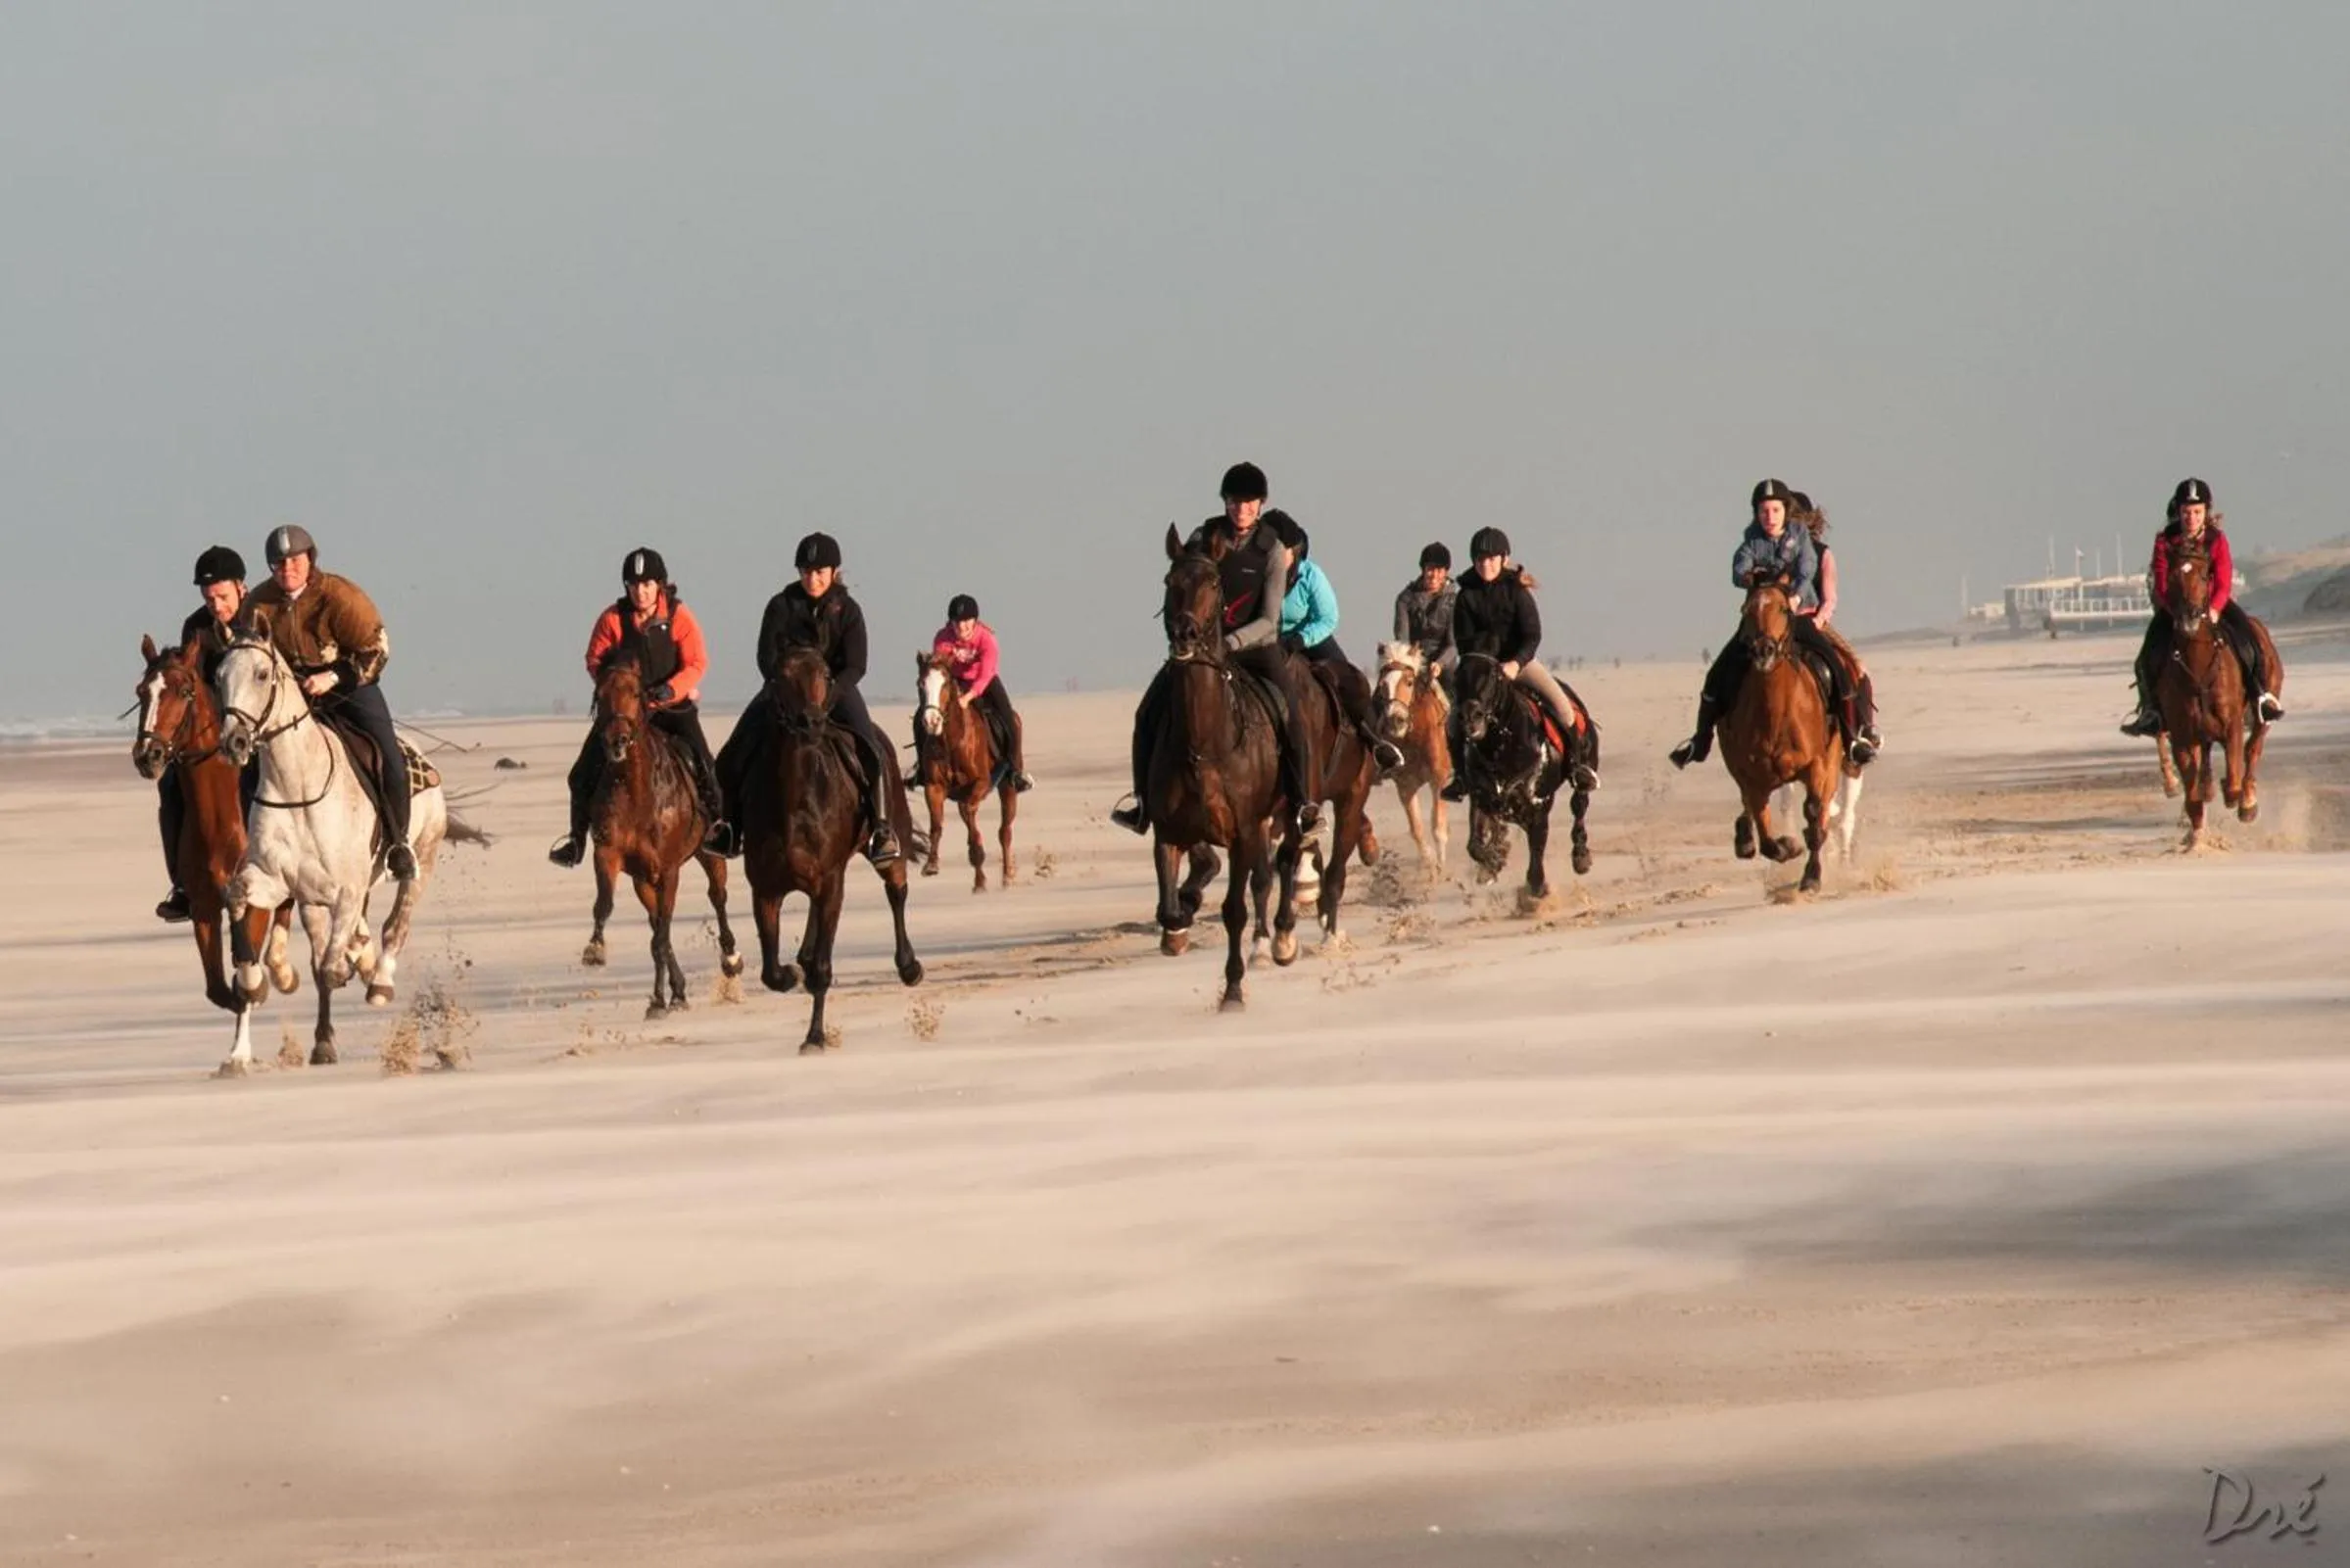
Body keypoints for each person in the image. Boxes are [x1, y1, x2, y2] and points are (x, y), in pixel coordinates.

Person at [1111, 460, 1319, 836]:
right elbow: (1186, 579)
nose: (1241, 509)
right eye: (1235, 501)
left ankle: (1302, 805)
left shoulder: (1271, 548)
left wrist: (1231, 642)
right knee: (1147, 713)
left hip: (1255, 647)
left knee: (1292, 717)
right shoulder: (1202, 535)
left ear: (1261, 503)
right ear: (1225, 502)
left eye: (1249, 502)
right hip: (1201, 650)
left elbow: (1270, 620)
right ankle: (1143, 804)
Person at [240, 525, 415, 879]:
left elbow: (377, 649)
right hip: (290, 696)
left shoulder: (338, 594)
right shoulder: (257, 604)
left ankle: (399, 842)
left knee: (388, 755)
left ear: (310, 559)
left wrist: (332, 677)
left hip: (349, 686)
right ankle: (254, 845)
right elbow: (248, 657)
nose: (287, 569)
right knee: (249, 768)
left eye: (294, 560)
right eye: (278, 563)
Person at [713, 532, 900, 864]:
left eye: (819, 571)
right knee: (734, 749)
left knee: (873, 750)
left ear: (834, 572)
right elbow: (765, 657)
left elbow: (857, 664)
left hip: (835, 691)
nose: (812, 579)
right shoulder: (781, 605)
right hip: (785, 693)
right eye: (806, 571)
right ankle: (729, 826)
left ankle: (881, 828)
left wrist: (830, 693)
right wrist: (782, 687)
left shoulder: (849, 610)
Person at [1667, 480, 1877, 770]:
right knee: (1718, 672)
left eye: (1775, 510)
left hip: (1800, 615)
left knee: (1837, 667)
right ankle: (1700, 741)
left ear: (1785, 512)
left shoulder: (1801, 537)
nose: (1770, 517)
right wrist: (1749, 576)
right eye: (1764, 511)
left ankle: (1853, 738)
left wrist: (1796, 598)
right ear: (1756, 513)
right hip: (1760, 621)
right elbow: (1738, 568)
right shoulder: (1751, 539)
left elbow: (1807, 571)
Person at [549, 547, 728, 868]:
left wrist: (671, 689)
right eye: (633, 585)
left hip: (672, 708)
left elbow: (697, 662)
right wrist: (615, 690)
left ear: (660, 584)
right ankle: (576, 841)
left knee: (704, 763)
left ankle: (719, 829)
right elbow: (593, 660)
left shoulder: (678, 616)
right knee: (580, 773)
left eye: (646, 585)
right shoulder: (612, 619)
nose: (640, 592)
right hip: (625, 715)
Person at [1439, 528, 1602, 801]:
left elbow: (1532, 634)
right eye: (1479, 559)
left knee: (1563, 707)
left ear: (1504, 559)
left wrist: (1515, 663)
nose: (1485, 564)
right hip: (1483, 669)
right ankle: (1461, 778)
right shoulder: (1465, 595)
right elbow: (1464, 640)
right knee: (1455, 719)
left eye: (1491, 559)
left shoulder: (1516, 591)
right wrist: (1486, 663)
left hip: (1519, 664)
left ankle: (1576, 767)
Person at [2119, 477, 2283, 736]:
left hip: (2214, 604)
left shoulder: (2217, 539)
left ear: (2206, 512)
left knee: (2250, 642)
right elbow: (2161, 583)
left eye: (2197, 512)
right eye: (2186, 512)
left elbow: (2224, 577)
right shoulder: (2165, 541)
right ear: (2179, 511)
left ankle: (2260, 697)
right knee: (2146, 656)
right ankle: (2151, 711)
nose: (2191, 517)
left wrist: (2216, 608)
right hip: (2176, 609)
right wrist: (2175, 612)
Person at [1267, 511, 1407, 776]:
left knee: (1349, 681)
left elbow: (1328, 618)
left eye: (1278, 549)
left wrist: (1300, 639)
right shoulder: (1260, 575)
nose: (1271, 556)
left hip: (1309, 639)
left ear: (1293, 552)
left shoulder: (1311, 576)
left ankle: (1375, 744)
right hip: (1267, 641)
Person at [154, 546, 250, 922]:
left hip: (259, 724)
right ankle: (182, 884)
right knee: (170, 787)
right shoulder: (196, 627)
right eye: (208, 598)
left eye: (222, 596)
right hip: (215, 731)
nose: (215, 604)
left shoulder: (260, 614)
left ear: (241, 587)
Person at [1789, 491, 1885, 757]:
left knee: (1856, 668)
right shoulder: (1771, 552)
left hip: (1812, 620)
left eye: (1796, 518)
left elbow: (1829, 599)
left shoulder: (1822, 554)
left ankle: (1863, 730)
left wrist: (1818, 621)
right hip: (1775, 624)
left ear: (1808, 521)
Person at [918, 594, 1036, 792]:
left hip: (984, 682)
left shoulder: (987, 639)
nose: (961, 627)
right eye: (957, 622)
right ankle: (922, 768)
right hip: (955, 681)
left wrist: (968, 697)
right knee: (926, 715)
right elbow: (940, 668)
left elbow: (986, 673)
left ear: (974, 621)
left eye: (966, 621)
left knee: (1010, 720)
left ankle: (1015, 771)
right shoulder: (943, 638)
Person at [1392, 542, 1460, 687]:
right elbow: (1402, 640)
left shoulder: (1456, 601)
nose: (1434, 575)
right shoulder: (1405, 599)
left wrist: (1440, 664)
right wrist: (1412, 660)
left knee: (1456, 690)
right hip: (1414, 659)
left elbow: (1453, 644)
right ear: (1423, 570)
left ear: (1446, 572)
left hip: (1444, 664)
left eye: (1439, 570)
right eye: (1430, 569)